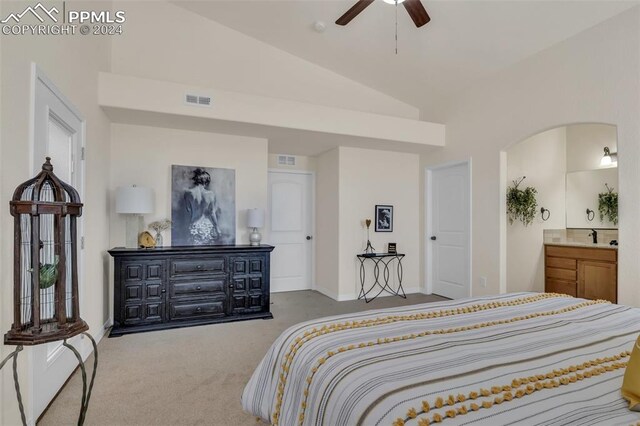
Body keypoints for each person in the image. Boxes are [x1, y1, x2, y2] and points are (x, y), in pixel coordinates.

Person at [183, 168, 222, 245]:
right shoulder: (210, 194)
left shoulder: (188, 193)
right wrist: (217, 228)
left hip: (194, 225)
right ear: (206, 182)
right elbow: (212, 212)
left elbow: (188, 209)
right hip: (207, 226)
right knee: (207, 254)